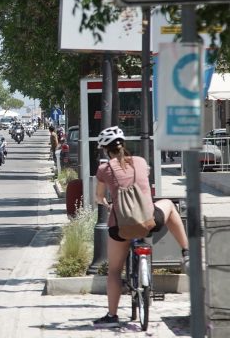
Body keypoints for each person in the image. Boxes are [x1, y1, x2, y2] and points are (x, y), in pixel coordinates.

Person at [92, 126, 189, 328]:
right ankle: (186, 251)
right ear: (124, 145)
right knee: (169, 205)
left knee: (114, 271)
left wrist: (107, 204)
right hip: (149, 221)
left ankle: (112, 315)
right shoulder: (141, 162)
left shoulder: (104, 169)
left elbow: (98, 197)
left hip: (120, 228)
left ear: (104, 149)